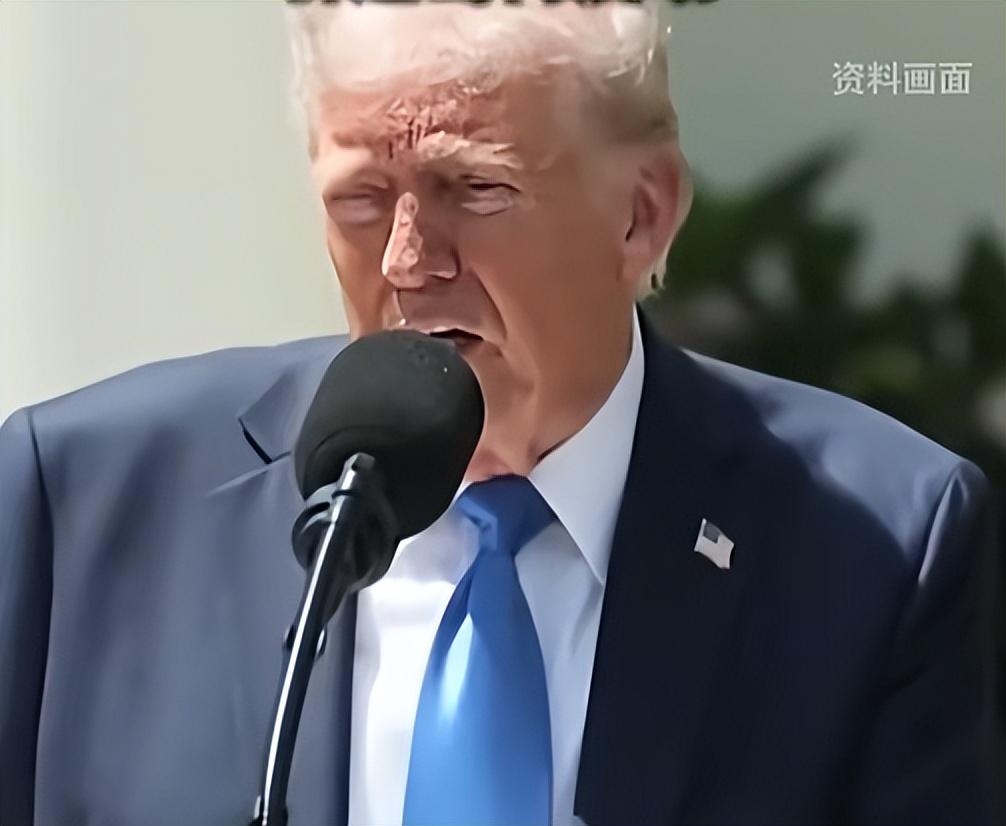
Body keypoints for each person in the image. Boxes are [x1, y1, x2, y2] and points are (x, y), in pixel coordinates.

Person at [0, 2, 1000, 824]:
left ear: (641, 213)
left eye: (474, 189)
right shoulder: (78, 503)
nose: (407, 261)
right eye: (360, 199)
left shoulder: (880, 546)